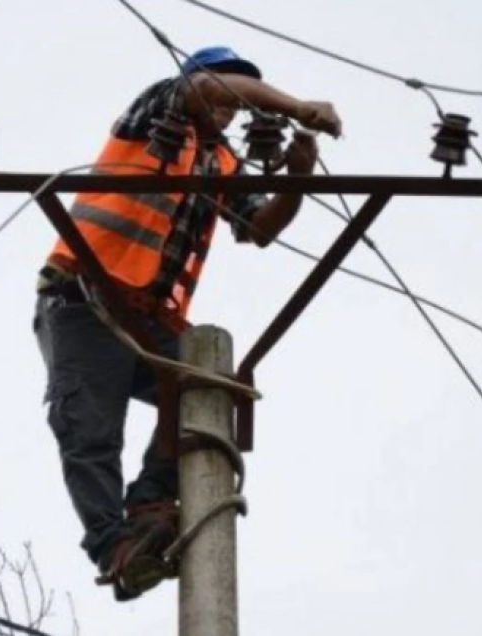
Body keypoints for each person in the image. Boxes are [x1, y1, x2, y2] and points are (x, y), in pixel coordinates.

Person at [33, 45, 342, 601]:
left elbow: (260, 228)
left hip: (149, 319)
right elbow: (209, 90)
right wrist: (298, 106)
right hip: (84, 299)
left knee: (208, 399)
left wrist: (296, 178)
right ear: (201, 82)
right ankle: (115, 547)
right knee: (90, 428)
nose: (233, 107)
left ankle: (151, 503)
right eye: (230, 90)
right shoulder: (156, 113)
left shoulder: (222, 162)